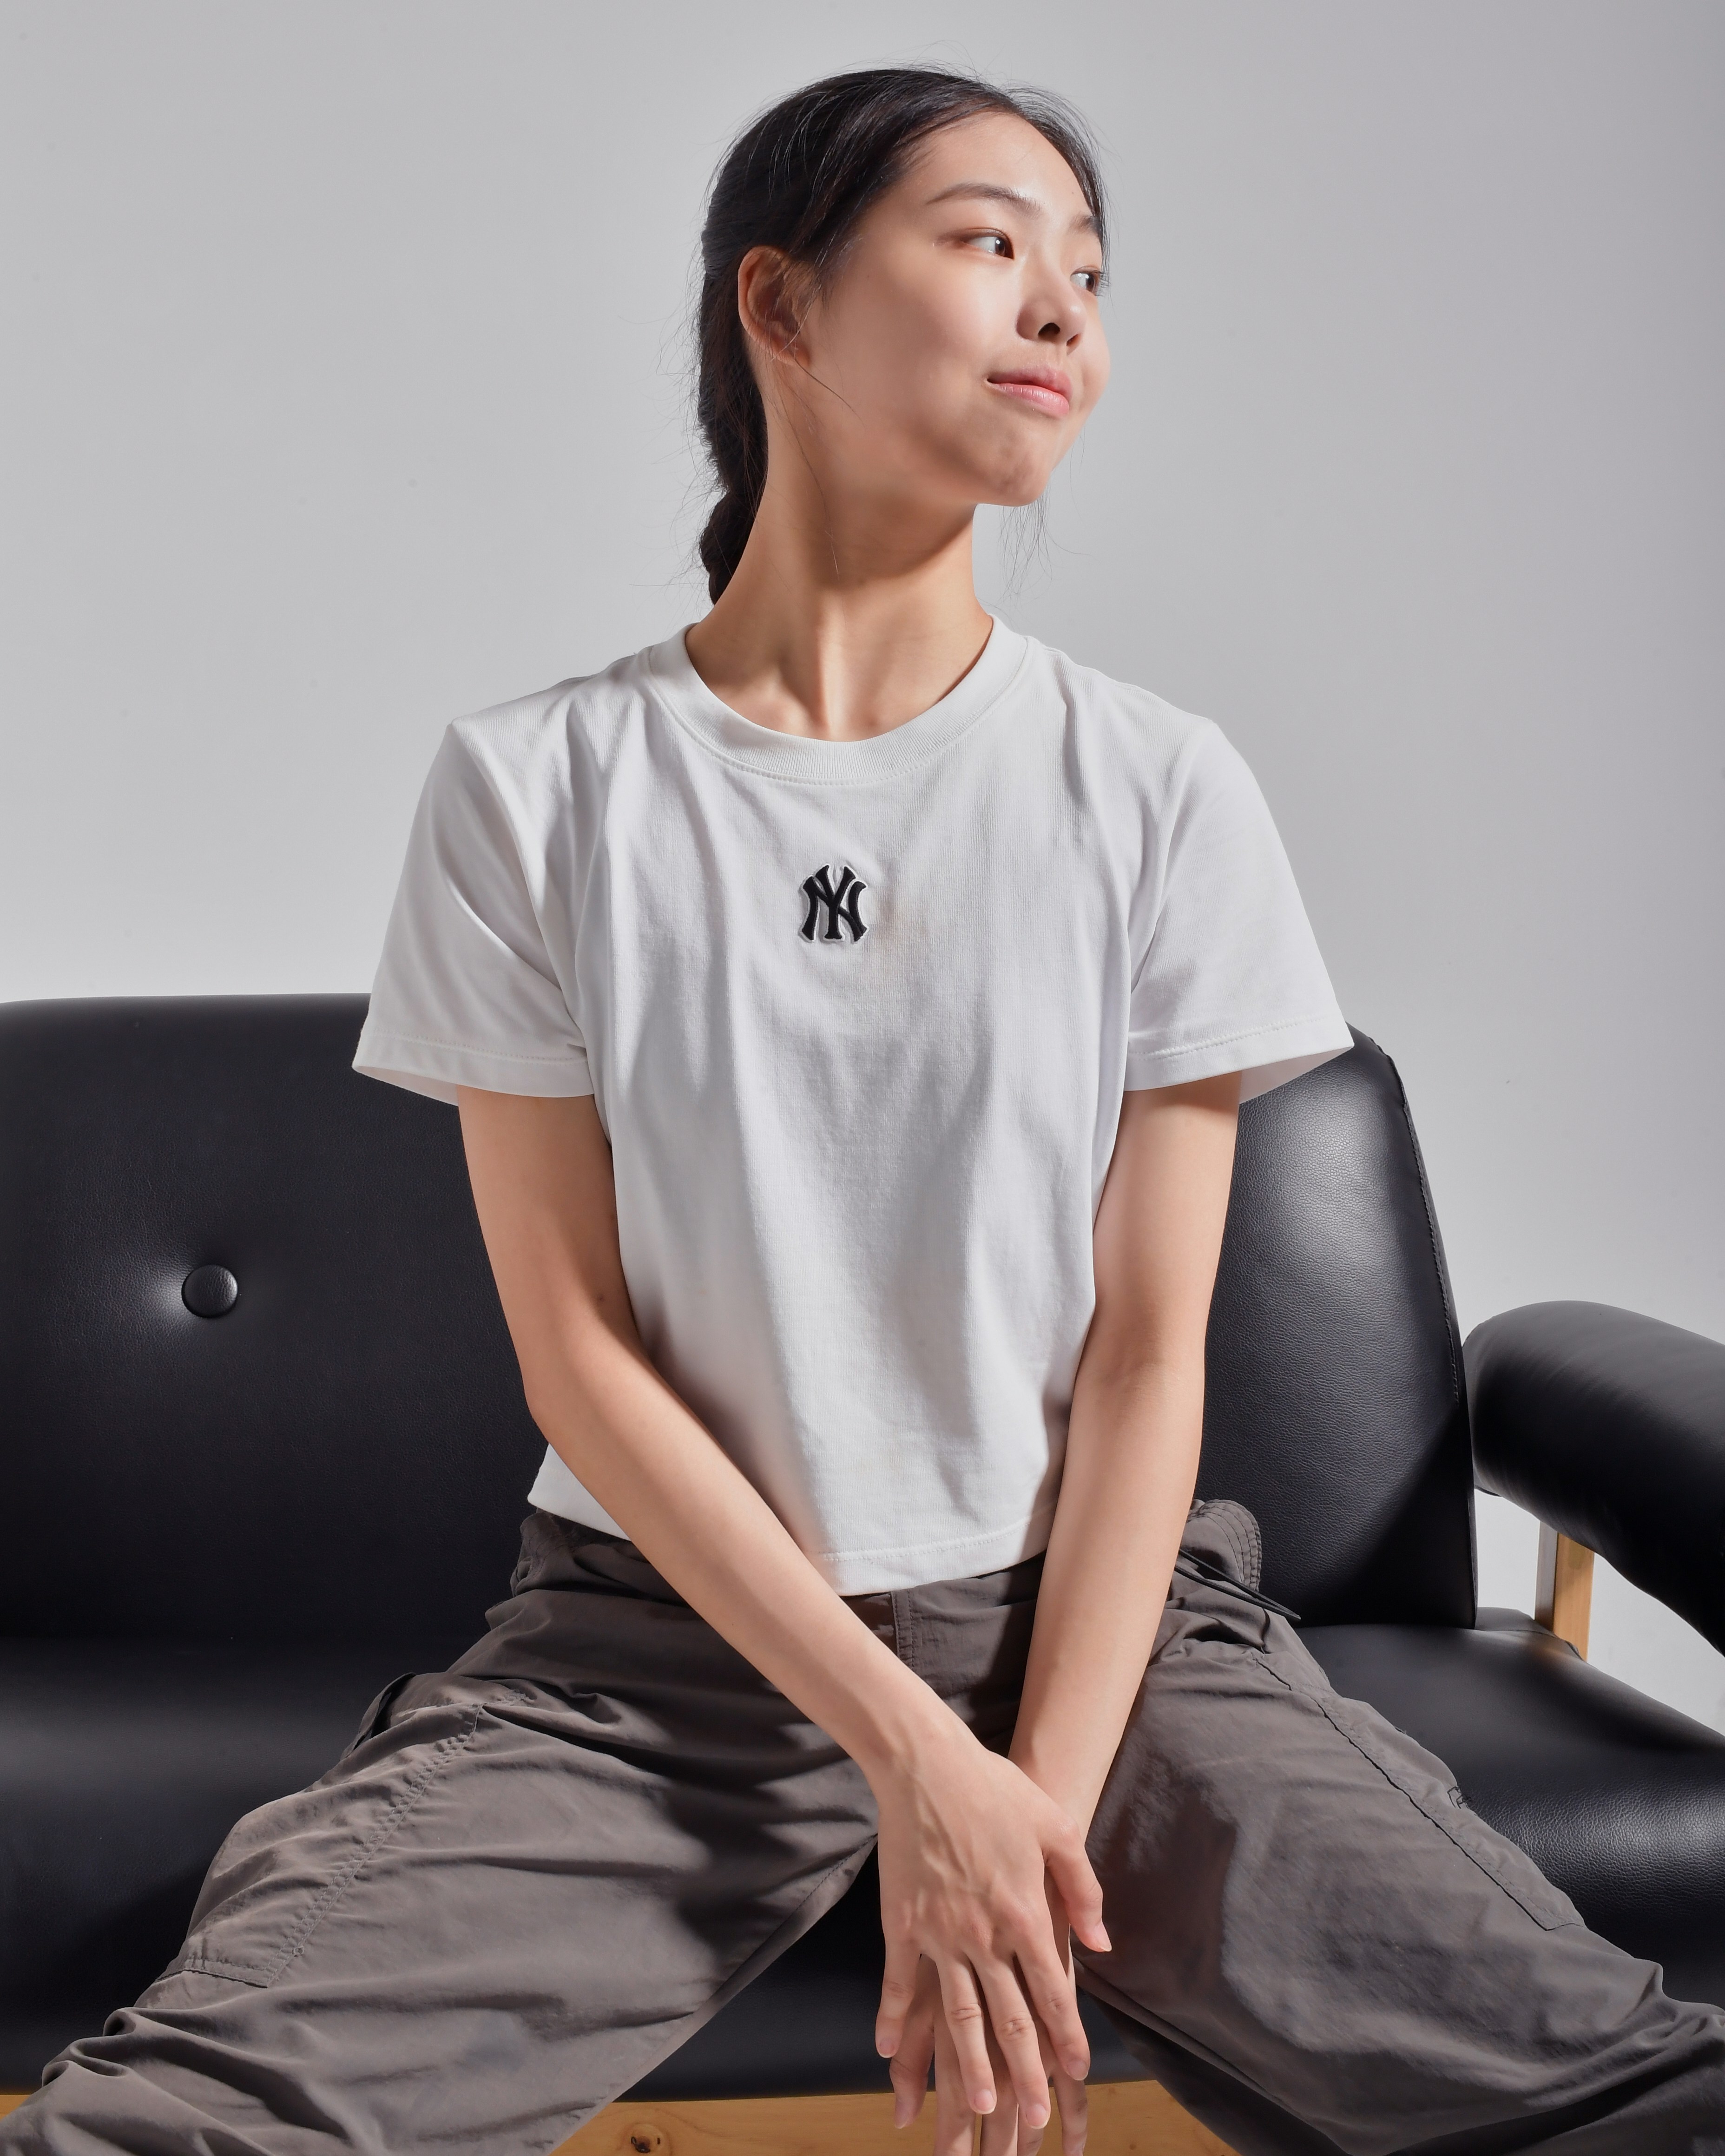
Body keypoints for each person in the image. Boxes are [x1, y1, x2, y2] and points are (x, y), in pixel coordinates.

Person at [7, 63, 1724, 2156]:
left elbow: (1152, 1347)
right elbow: (581, 1353)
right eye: (992, 241)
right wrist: (910, 1755)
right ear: (783, 310)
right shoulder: (536, 789)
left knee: (1634, 2099)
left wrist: (1027, 1791)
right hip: (662, 1646)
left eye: (1090, 271)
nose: (1063, 310)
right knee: (166, 2125)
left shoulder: (1156, 785)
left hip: (1109, 1626)